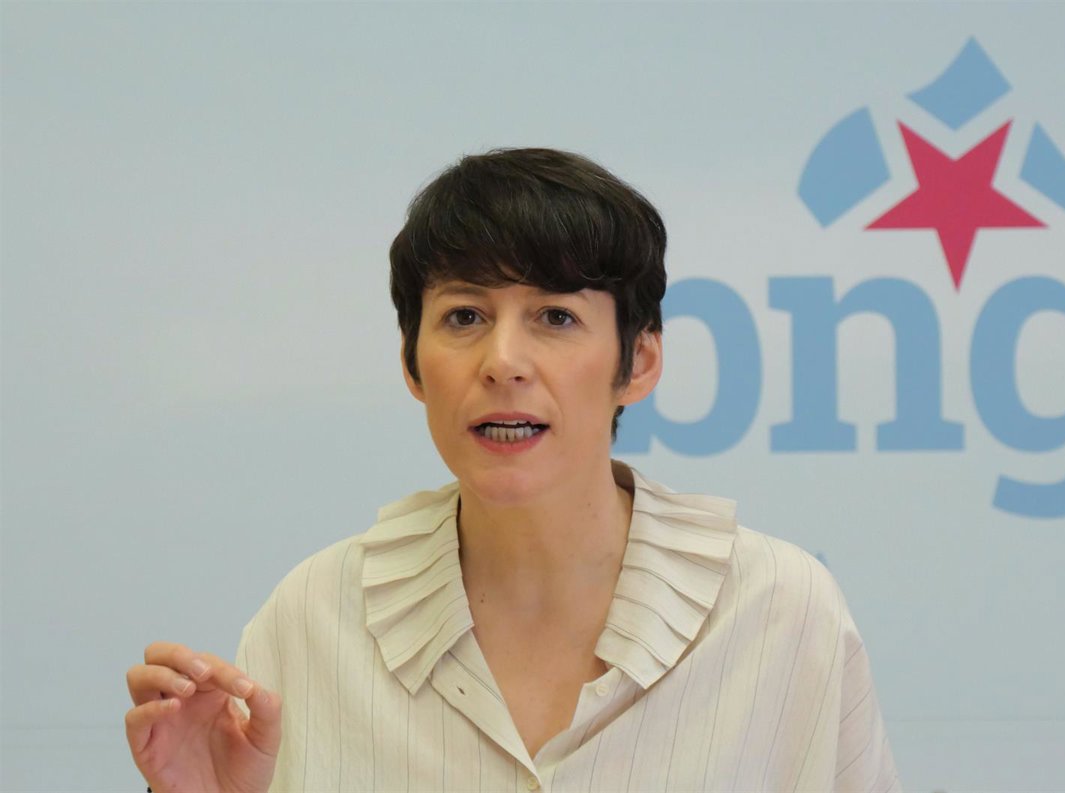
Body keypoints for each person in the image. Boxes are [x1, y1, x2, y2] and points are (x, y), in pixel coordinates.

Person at [125, 148, 901, 792]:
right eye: (464, 316)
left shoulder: (781, 612)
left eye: (556, 316)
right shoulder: (312, 618)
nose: (503, 361)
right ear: (412, 363)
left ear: (639, 361)